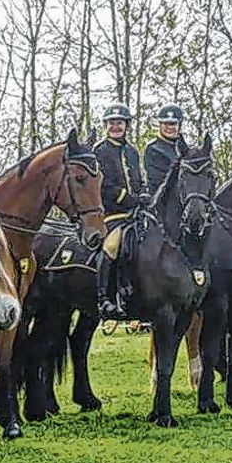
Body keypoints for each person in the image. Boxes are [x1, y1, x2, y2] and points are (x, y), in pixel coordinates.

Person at [95, 104, 146, 318]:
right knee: (112, 245)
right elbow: (103, 186)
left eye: (120, 122)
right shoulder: (99, 150)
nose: (116, 126)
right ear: (106, 125)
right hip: (112, 213)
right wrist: (127, 198)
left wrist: (144, 193)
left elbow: (138, 179)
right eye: (112, 122)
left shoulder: (132, 151)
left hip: (136, 212)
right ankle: (104, 297)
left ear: (126, 125)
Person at [144, 103, 187, 192]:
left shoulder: (187, 149)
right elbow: (159, 180)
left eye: (173, 124)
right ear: (159, 125)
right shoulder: (153, 148)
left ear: (179, 125)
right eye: (165, 123)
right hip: (162, 198)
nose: (169, 127)